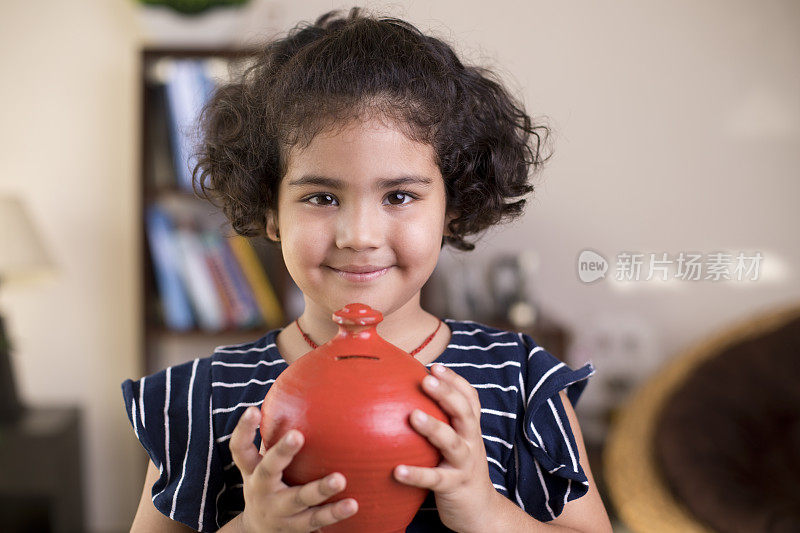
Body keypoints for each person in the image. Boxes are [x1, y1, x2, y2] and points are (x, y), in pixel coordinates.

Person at [122, 7, 612, 532]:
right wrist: (250, 527)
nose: (359, 235)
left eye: (399, 195)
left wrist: (486, 512)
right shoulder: (205, 397)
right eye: (321, 196)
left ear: (452, 208)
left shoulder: (519, 382)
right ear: (270, 212)